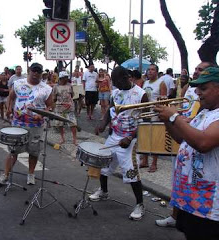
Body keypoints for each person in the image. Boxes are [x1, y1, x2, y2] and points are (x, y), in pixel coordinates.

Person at [154, 66, 219, 239]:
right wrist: (167, 120)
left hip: (210, 203)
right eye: (197, 88)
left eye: (204, 88)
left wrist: (174, 117)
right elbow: (181, 139)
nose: (197, 92)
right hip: (191, 197)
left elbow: (203, 143)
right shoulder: (204, 112)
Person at [91, 66, 149, 220]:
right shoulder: (115, 93)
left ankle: (140, 205)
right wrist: (103, 124)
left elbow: (146, 121)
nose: (115, 85)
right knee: (104, 165)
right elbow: (110, 112)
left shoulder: (141, 95)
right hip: (114, 135)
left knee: (131, 172)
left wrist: (130, 137)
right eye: (114, 82)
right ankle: (103, 191)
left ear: (127, 77)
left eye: (117, 81)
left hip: (130, 139)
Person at [0, 62, 53, 185]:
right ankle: (5, 174)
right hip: (18, 123)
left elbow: (50, 106)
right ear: (29, 70)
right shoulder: (18, 83)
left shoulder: (46, 89)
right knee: (13, 150)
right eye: (34, 70)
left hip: (36, 125)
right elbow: (10, 97)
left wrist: (42, 114)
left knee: (33, 151)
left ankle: (31, 174)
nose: (36, 73)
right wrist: (9, 108)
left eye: (38, 71)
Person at [140, 64, 167, 172]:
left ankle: (154, 163)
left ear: (156, 72)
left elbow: (164, 100)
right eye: (148, 70)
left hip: (155, 114)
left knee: (155, 138)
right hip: (145, 113)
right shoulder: (145, 83)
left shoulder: (161, 83)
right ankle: (145, 160)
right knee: (145, 137)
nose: (150, 72)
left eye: (152, 70)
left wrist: (161, 114)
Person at [53, 71, 77, 145]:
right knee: (60, 124)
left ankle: (74, 139)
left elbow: (72, 95)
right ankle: (62, 138)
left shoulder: (70, 86)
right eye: (65, 77)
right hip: (59, 108)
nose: (66, 79)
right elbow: (54, 98)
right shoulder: (56, 87)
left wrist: (68, 102)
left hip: (69, 108)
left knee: (73, 124)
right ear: (61, 78)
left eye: (67, 77)